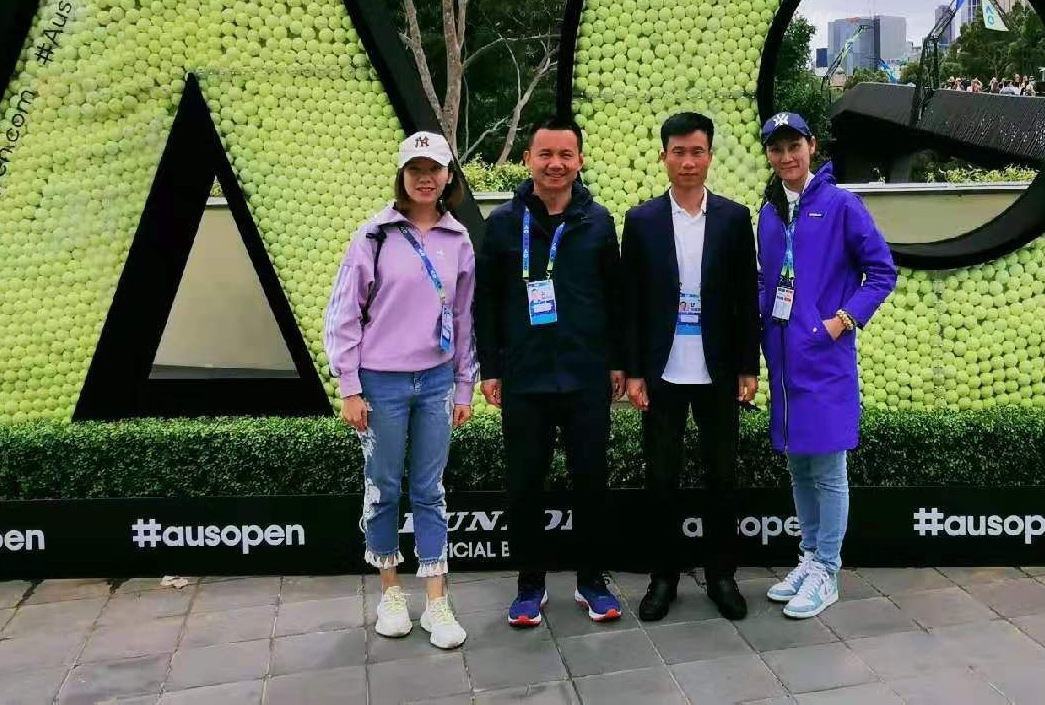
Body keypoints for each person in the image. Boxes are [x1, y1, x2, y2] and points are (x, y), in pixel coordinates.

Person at [321, 131, 477, 650]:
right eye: (416, 169)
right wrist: (349, 387)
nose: (425, 178)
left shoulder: (459, 239)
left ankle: (436, 600)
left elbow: (464, 318)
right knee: (384, 487)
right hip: (380, 383)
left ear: (448, 176)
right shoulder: (374, 235)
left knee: (430, 490)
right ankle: (390, 592)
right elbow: (344, 314)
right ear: (402, 175)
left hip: (436, 382)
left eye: (434, 169)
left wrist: (463, 387)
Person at [473, 118, 627, 628]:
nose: (555, 164)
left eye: (565, 154)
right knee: (524, 485)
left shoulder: (598, 222)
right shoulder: (502, 223)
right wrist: (491, 367)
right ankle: (529, 585)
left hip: (585, 376)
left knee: (591, 483)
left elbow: (614, 299)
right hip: (525, 376)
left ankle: (592, 581)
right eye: (545, 154)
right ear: (528, 160)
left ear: (579, 160)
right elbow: (487, 301)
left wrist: (617, 362)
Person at [756, 112, 897, 620]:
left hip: (825, 359)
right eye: (776, 149)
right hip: (783, 359)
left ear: (811, 147)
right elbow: (766, 279)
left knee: (830, 469)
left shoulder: (841, 205)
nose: (786, 157)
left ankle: (828, 571)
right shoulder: (769, 212)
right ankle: (809, 556)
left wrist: (841, 321)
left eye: (794, 146)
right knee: (798, 463)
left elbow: (881, 272)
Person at [621, 112, 760, 622]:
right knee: (662, 479)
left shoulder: (733, 218)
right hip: (662, 373)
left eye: (696, 152)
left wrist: (748, 365)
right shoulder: (641, 221)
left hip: (718, 371)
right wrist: (634, 371)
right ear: (664, 157)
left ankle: (722, 576)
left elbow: (746, 296)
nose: (687, 162)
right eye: (678, 152)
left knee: (722, 476)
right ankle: (664, 577)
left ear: (710, 156)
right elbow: (630, 302)